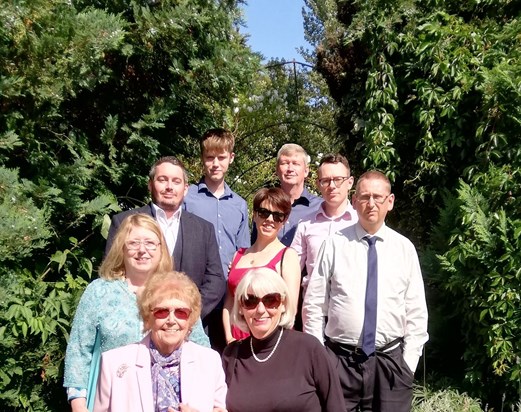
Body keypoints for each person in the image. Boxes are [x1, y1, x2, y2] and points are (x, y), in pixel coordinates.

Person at [302, 170, 429, 411]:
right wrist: (322, 360)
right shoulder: (334, 244)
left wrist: (408, 364)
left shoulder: (404, 249)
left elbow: (417, 312)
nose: (371, 203)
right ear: (354, 200)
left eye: (378, 197)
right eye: (364, 197)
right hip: (340, 362)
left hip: (391, 364)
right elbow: (314, 305)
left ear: (389, 202)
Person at [64, 214, 209, 412]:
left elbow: (201, 348)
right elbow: (79, 352)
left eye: (150, 243)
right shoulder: (99, 291)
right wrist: (78, 404)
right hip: (113, 401)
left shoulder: (178, 290)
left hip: (173, 402)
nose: (142, 250)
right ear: (121, 248)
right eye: (133, 243)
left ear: (161, 249)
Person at [105, 156, 226, 350]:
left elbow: (216, 280)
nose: (169, 187)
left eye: (176, 181)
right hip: (135, 335)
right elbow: (113, 275)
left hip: (190, 335)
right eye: (163, 180)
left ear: (185, 188)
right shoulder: (124, 222)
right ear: (150, 185)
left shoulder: (204, 229)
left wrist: (186, 315)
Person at [94, 271, 227, 412]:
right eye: (162, 312)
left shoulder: (209, 361)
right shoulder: (113, 363)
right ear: (148, 316)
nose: (171, 320)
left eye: (181, 312)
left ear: (190, 318)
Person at [222, 268, 345, 412]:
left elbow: (335, 406)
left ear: (283, 304)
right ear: (241, 307)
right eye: (250, 301)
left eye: (270, 300)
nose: (260, 310)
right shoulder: (232, 355)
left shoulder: (309, 349)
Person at [222, 187, 300, 344]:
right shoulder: (239, 255)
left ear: (284, 221)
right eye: (264, 213)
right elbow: (229, 302)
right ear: (254, 214)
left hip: (270, 343)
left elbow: (290, 309)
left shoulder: (287, 256)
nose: (270, 219)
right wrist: (229, 337)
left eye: (277, 216)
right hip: (236, 342)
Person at [291, 154, 358, 330]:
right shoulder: (306, 224)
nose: (332, 186)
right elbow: (292, 270)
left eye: (338, 179)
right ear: (318, 184)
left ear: (350, 182)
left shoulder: (360, 223)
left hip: (351, 314)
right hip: (313, 314)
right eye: (326, 180)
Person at [184, 128, 250, 277]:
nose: (215, 164)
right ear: (202, 157)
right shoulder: (187, 198)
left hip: (228, 286)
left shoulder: (239, 205)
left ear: (231, 158)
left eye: (221, 157)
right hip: (193, 283)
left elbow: (243, 251)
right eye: (209, 157)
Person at [251, 143, 321, 246]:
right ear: (277, 170)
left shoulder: (320, 207)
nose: (290, 169)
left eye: (296, 163)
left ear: (306, 171)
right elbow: (255, 245)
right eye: (285, 163)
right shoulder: (265, 205)